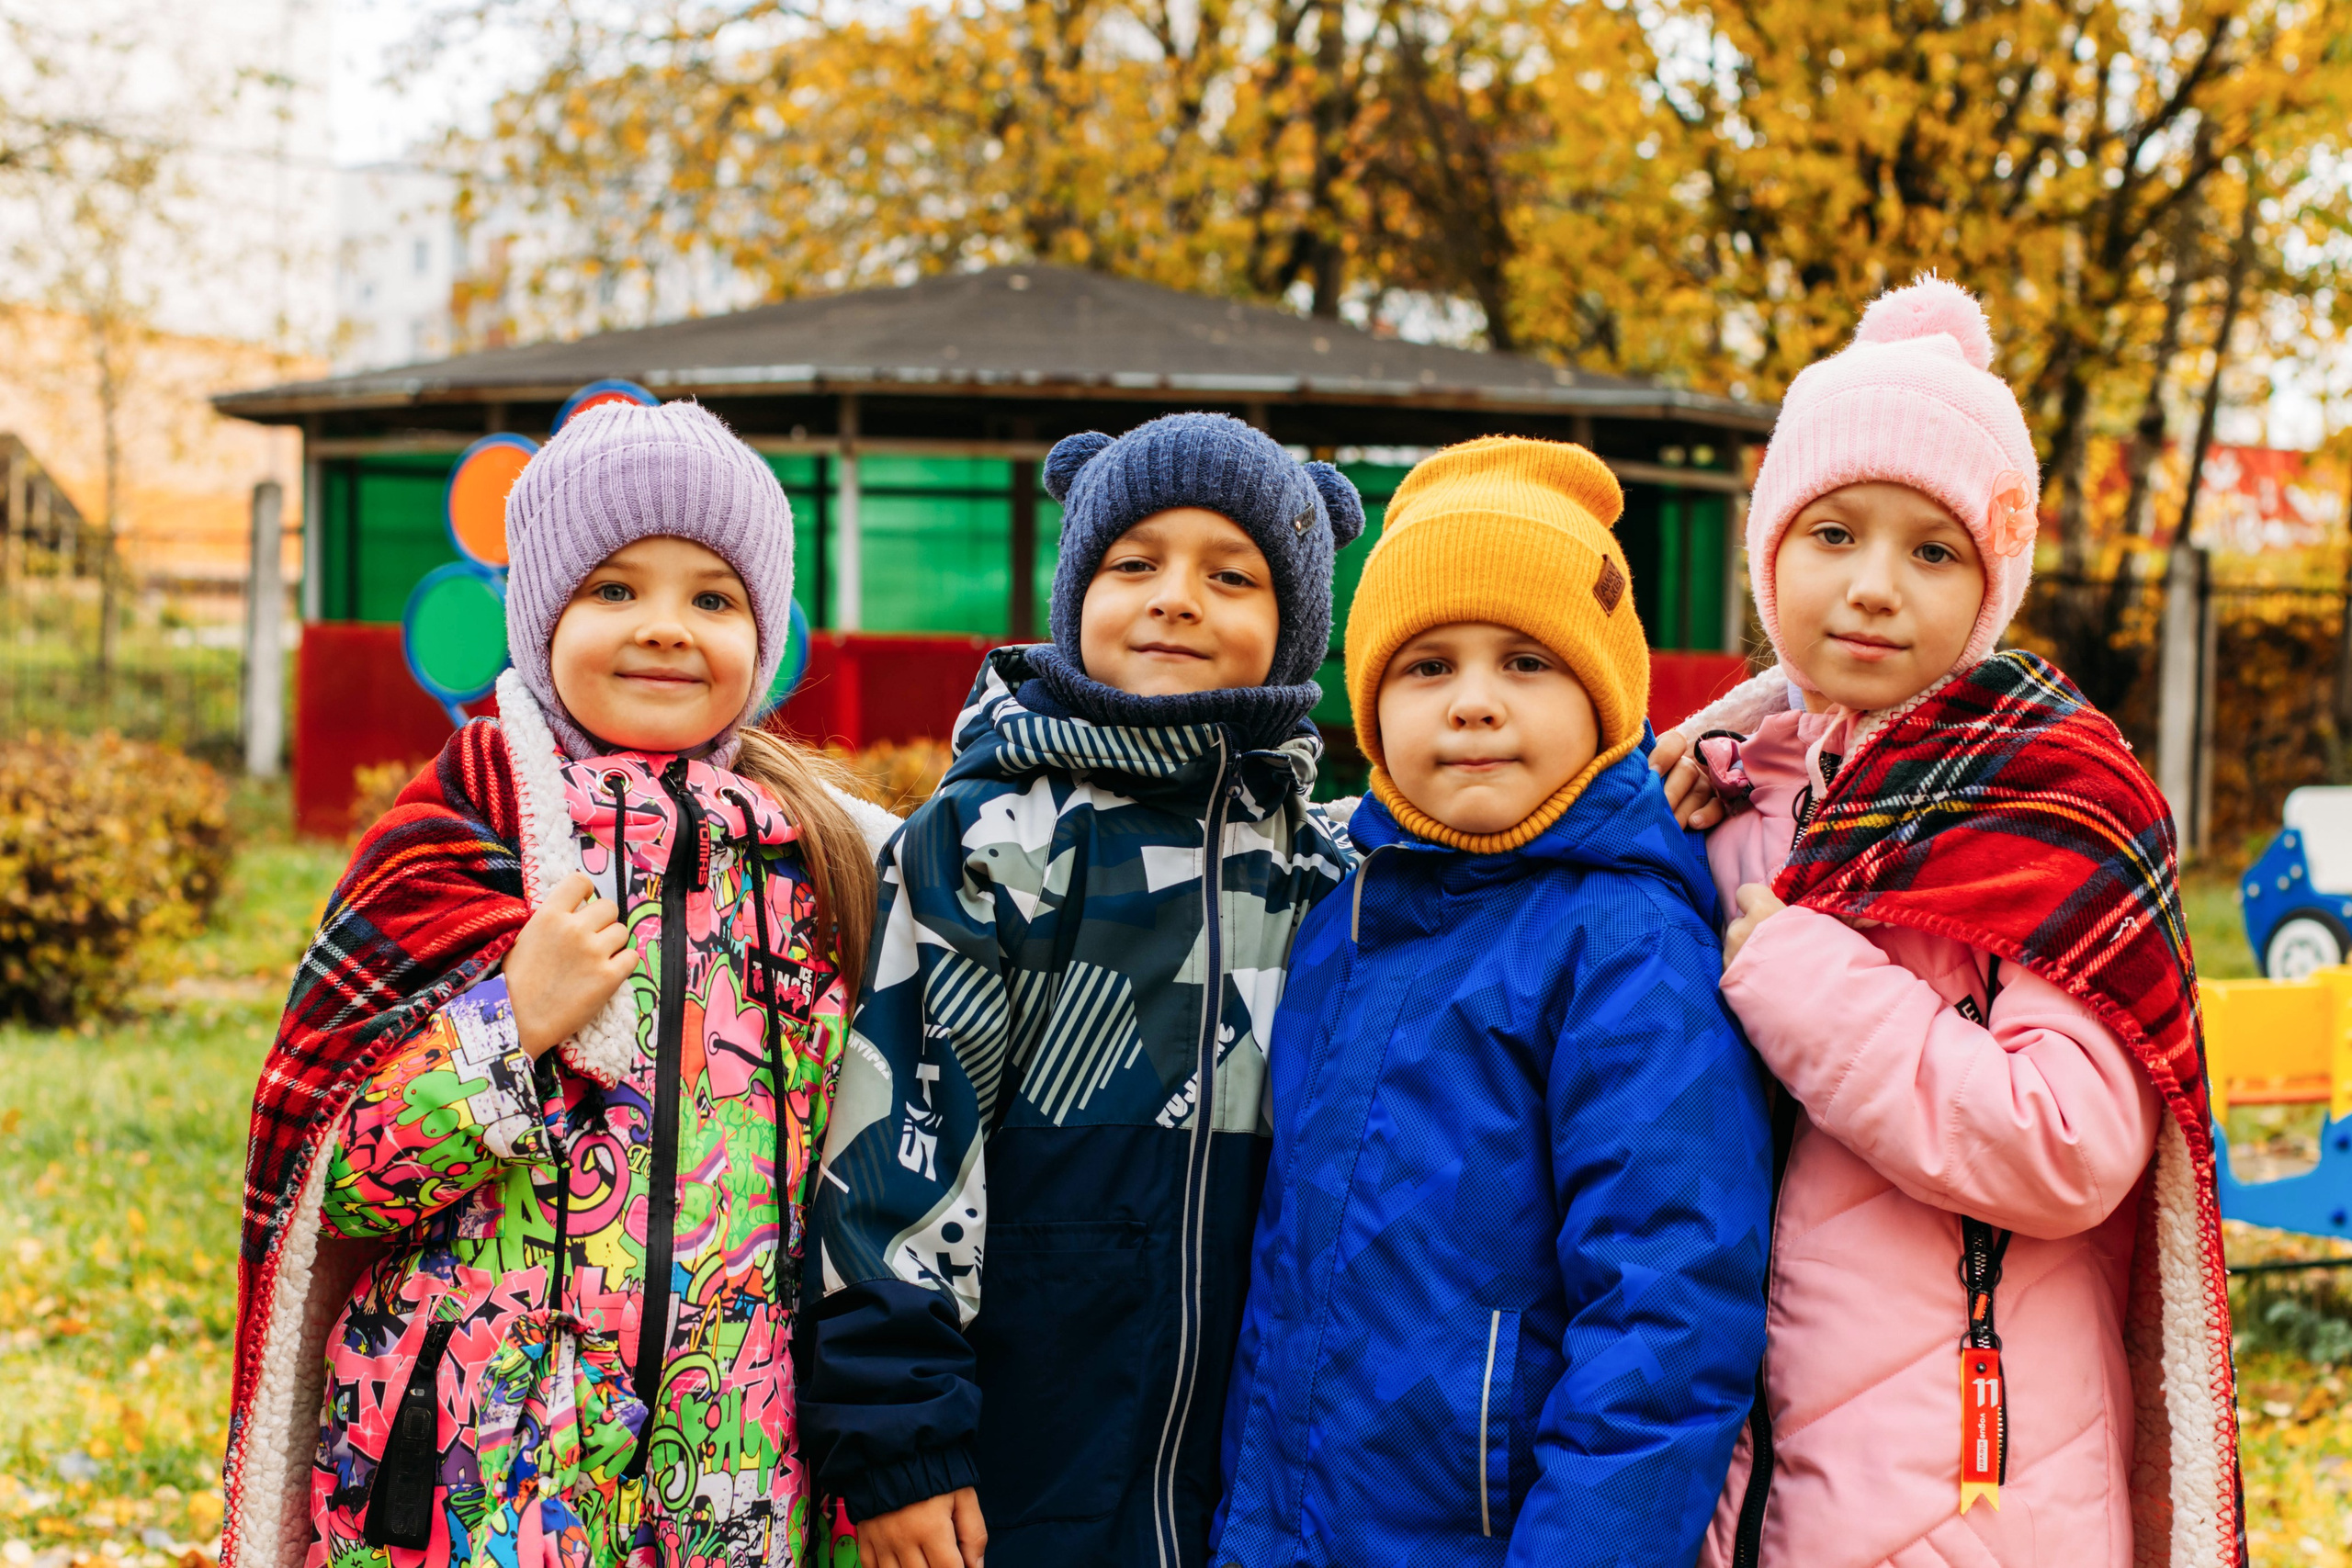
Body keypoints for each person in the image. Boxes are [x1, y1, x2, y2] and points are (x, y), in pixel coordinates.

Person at [220, 400, 902, 1568]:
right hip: (465, 1468)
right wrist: (507, 1028)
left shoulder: (821, 870)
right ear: (542, 617)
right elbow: (338, 1192)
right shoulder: (458, 841)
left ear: (764, 629)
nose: (665, 630)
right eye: (614, 589)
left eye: (713, 597)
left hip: (729, 1462)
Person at [1659, 276, 2241, 1568]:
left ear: (1990, 585)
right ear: (1767, 551)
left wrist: (1811, 982)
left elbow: (2072, 1142)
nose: (1874, 586)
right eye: (1832, 534)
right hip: (1755, 1479)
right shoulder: (1719, 799)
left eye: (1932, 549)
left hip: (1979, 1492)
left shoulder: (2047, 808)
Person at [799, 413, 1363, 1568]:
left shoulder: (1326, 870)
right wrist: (900, 1434)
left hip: (1255, 1476)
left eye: (1231, 574)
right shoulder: (994, 840)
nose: (1175, 598)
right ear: (1075, 590)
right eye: (1135, 563)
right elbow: (901, 1140)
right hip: (1021, 1460)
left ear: (1297, 626)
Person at [1210, 435, 1774, 1567]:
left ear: (1606, 699)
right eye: (1428, 668)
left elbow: (1665, 1309)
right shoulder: (1344, 917)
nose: (1472, 704)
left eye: (1526, 662)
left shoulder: (1624, 941)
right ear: (1368, 711)